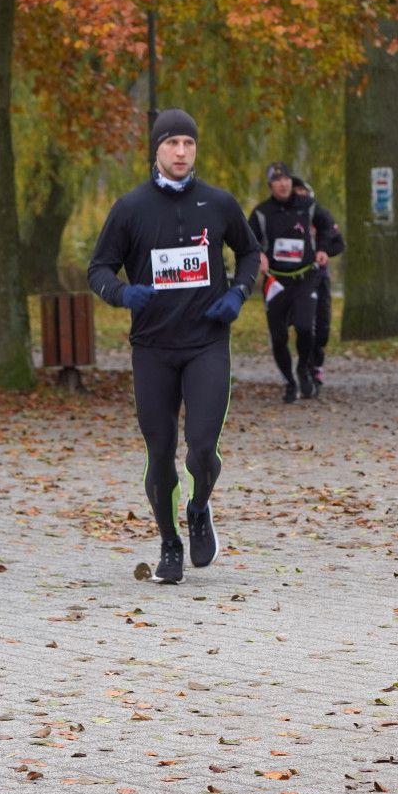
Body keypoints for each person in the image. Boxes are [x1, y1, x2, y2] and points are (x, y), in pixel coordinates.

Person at [87, 107, 260, 585]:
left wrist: (237, 293)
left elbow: (249, 253)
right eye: (172, 144)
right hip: (153, 348)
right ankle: (169, 542)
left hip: (207, 344)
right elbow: (97, 268)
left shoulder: (219, 203)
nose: (181, 152)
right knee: (160, 452)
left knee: (202, 449)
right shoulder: (131, 208)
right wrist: (122, 293)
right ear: (156, 150)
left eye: (188, 144)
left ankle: (199, 506)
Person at [249, 163, 336, 402]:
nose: (283, 184)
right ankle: (289, 381)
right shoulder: (261, 213)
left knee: (305, 327)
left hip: (305, 278)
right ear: (270, 186)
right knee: (278, 337)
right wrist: (259, 255)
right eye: (277, 180)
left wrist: (323, 249)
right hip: (276, 282)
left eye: (286, 179)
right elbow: (247, 240)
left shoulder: (307, 206)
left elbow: (328, 225)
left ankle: (304, 369)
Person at [292, 176, 345, 389]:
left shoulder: (321, 215)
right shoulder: (288, 217)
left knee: (322, 326)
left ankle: (317, 360)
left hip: (321, 276)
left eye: (302, 191)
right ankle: (307, 366)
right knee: (306, 325)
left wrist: (321, 252)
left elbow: (338, 244)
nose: (299, 196)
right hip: (298, 280)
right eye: (295, 192)